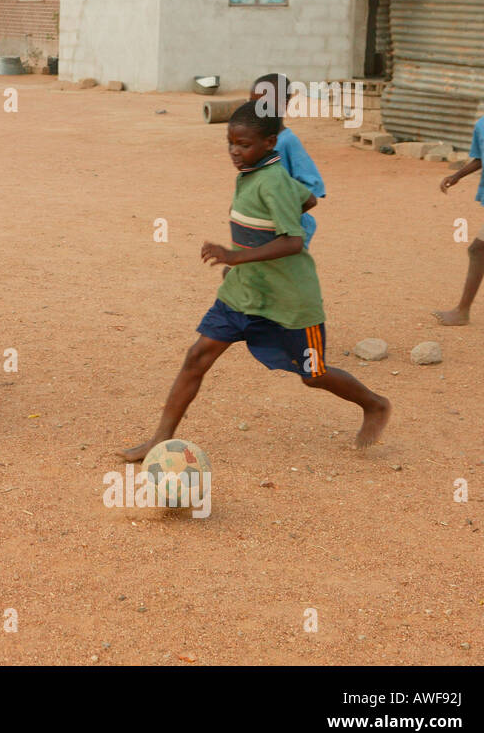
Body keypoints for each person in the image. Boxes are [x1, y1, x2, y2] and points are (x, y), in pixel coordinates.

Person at [120, 100, 389, 462]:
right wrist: (244, 262)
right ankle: (159, 438)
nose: (234, 151)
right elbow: (307, 198)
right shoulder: (254, 172)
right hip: (243, 292)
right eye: (230, 142)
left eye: (244, 144)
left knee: (313, 374)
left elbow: (293, 241)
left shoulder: (273, 180)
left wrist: (236, 256)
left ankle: (374, 404)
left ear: (270, 143)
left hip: (289, 302)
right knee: (197, 356)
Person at [433, 70, 484, 325]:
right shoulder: (482, 125)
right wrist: (457, 176)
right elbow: (480, 158)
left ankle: (462, 312)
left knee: (476, 250)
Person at [251, 73, 325, 247]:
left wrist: (285, 215)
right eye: (252, 103)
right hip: (264, 228)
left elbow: (312, 185)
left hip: (287, 232)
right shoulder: (256, 143)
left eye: (264, 104)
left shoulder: (287, 142)